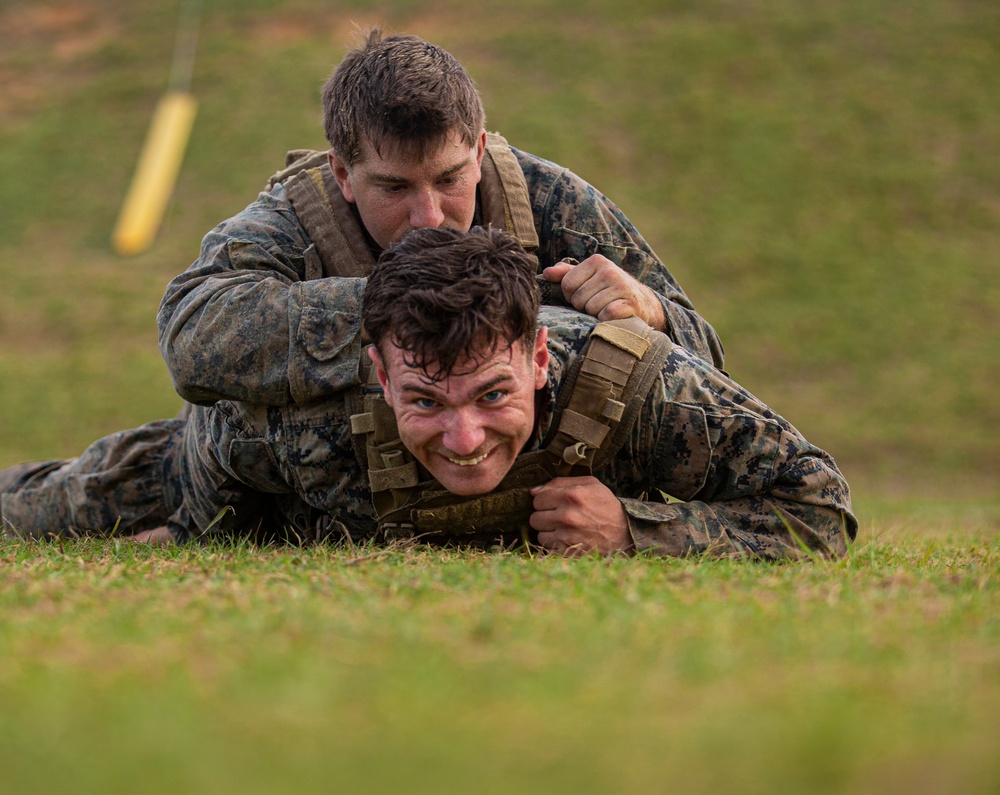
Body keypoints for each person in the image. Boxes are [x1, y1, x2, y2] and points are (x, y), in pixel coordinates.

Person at [2, 227, 855, 559]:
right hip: (189, 461)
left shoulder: (641, 387)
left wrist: (639, 530)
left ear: (539, 358)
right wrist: (189, 535)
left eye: (492, 394)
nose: (462, 436)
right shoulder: (293, 426)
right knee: (48, 509)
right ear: (377, 376)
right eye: (424, 402)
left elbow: (821, 507)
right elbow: (214, 465)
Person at [156, 28, 725, 412]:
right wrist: (410, 306)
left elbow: (711, 370)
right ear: (342, 174)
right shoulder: (299, 216)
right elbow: (195, 334)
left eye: (450, 179)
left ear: (478, 152)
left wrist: (652, 312)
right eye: (394, 187)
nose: (429, 216)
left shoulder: (551, 201)